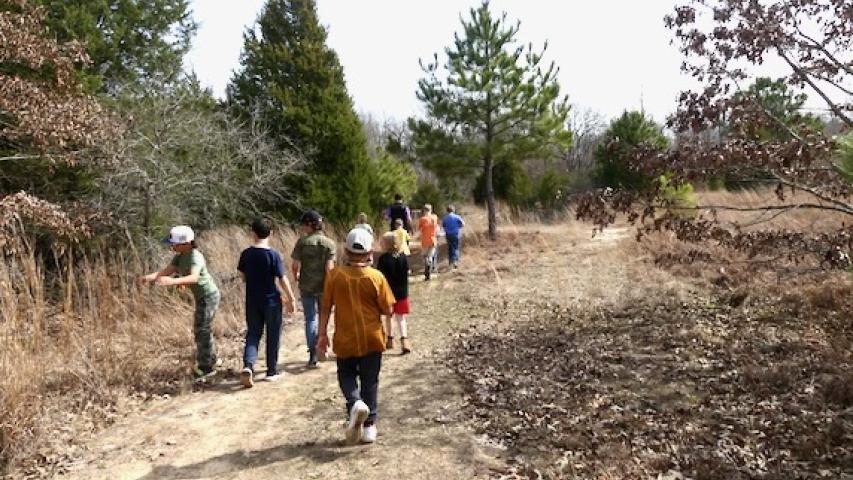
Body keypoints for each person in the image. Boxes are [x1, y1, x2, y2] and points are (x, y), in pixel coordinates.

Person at [316, 228, 395, 445]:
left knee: (346, 374)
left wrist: (322, 334)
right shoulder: (376, 277)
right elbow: (388, 309)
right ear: (369, 251)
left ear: (346, 250)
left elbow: (325, 308)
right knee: (370, 380)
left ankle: (354, 402)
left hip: (346, 337)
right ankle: (369, 426)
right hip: (372, 337)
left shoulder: (335, 276)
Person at [138, 225, 220, 380]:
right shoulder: (180, 256)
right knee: (202, 328)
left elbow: (194, 277)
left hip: (209, 296)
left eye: (174, 244)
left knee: (202, 329)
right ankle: (211, 359)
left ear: (186, 243)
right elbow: (166, 271)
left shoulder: (195, 256)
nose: (172, 247)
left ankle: (207, 367)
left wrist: (173, 282)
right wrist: (149, 277)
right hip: (201, 297)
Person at [237, 218, 297, 387]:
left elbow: (243, 277)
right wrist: (291, 298)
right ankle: (271, 370)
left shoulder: (246, 254)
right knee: (273, 334)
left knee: (253, 333)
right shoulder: (273, 255)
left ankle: (248, 365)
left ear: (252, 233)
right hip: (271, 301)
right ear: (271, 233)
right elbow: (282, 278)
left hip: (252, 300)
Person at [291, 210, 336, 367]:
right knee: (323, 317)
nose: (303, 228)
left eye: (304, 224)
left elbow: (295, 265)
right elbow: (330, 268)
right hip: (323, 287)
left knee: (310, 319)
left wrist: (296, 276)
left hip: (306, 286)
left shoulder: (302, 243)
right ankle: (321, 346)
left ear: (310, 225)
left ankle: (312, 354)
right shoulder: (329, 244)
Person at [376, 232, 411, 354]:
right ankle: (404, 340)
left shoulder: (383, 259)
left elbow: (379, 277)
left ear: (387, 244)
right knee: (401, 318)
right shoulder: (403, 257)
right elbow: (408, 272)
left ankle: (390, 339)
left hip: (388, 292)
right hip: (402, 292)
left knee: (388, 316)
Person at [417, 203, 439, 280]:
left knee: (424, 255)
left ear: (424, 210)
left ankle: (427, 266)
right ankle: (429, 262)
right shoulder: (435, 217)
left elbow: (419, 230)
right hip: (433, 239)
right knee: (430, 255)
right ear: (431, 210)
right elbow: (436, 228)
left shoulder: (422, 219)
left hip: (425, 240)